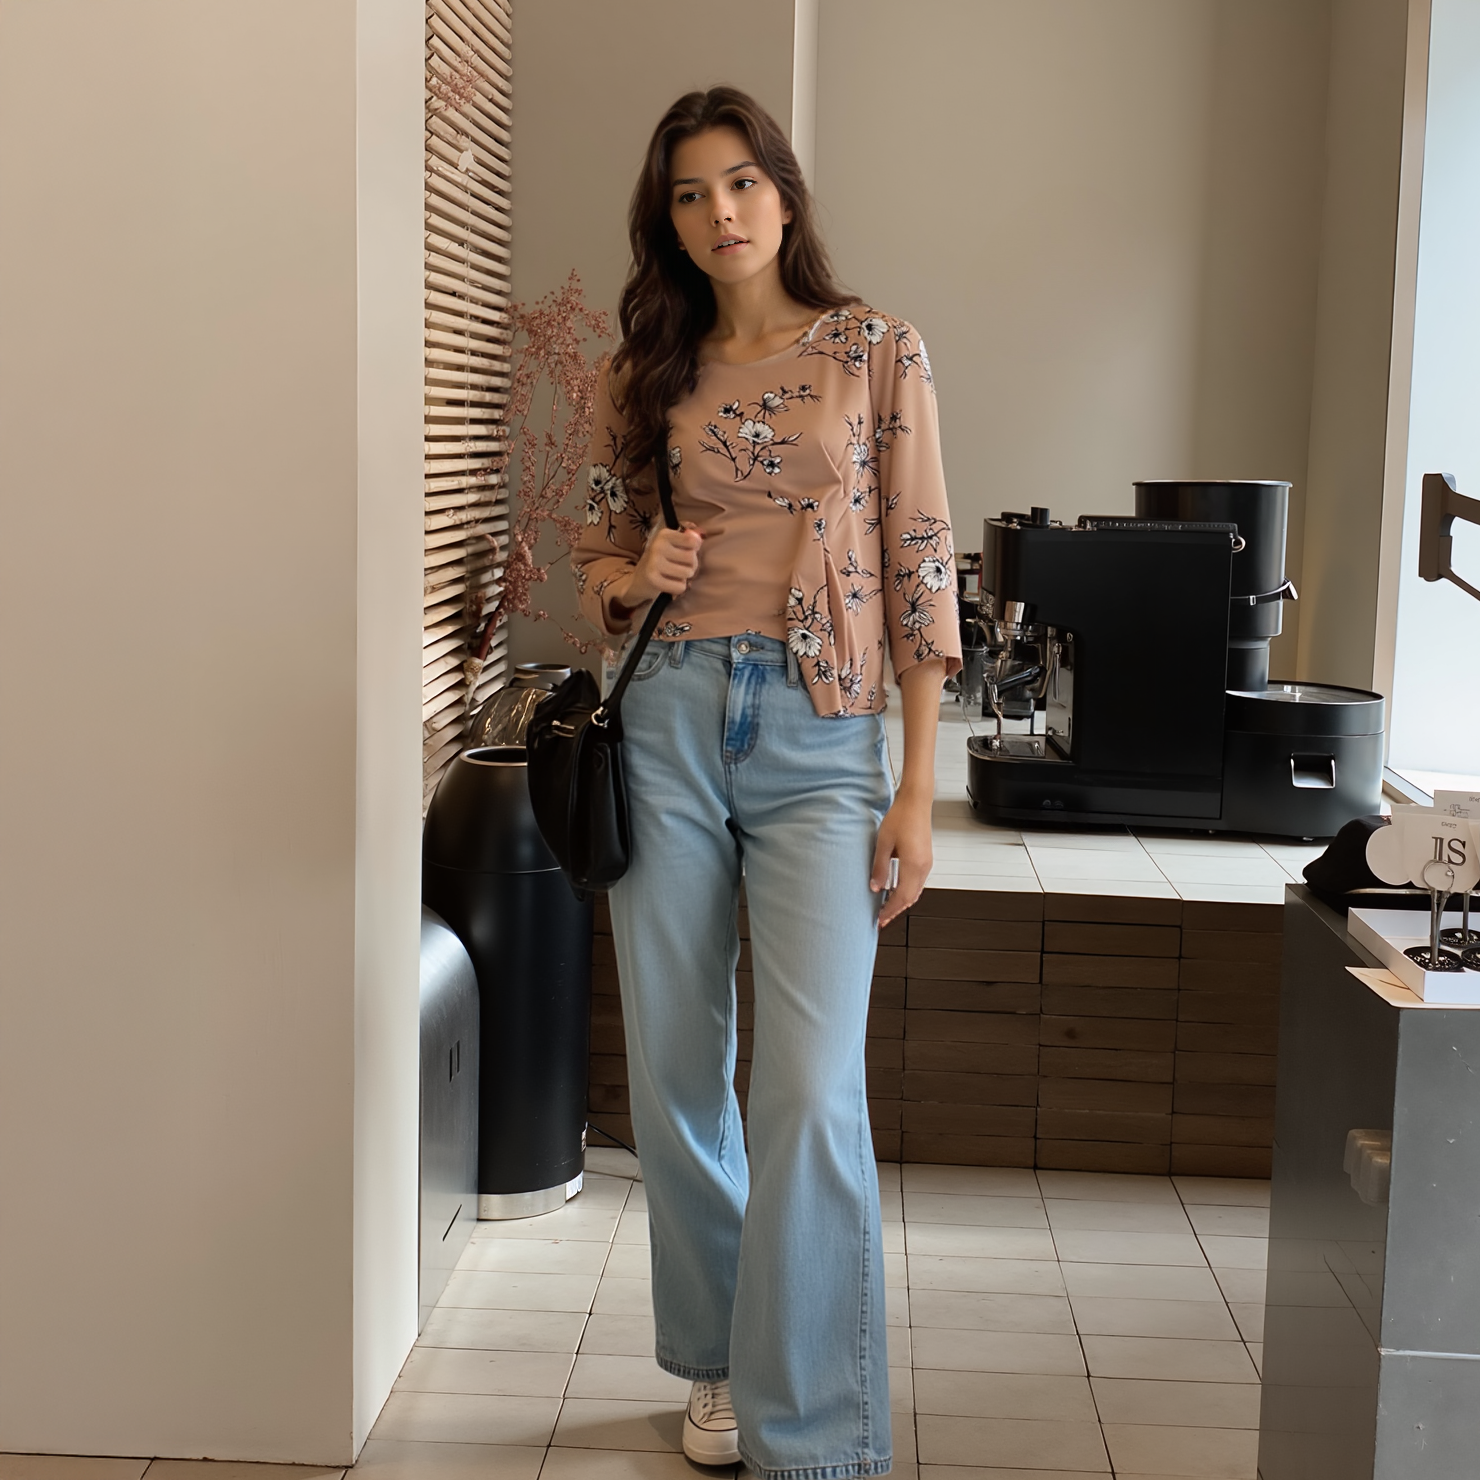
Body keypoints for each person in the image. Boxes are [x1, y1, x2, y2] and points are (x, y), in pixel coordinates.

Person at [572, 86, 961, 1479]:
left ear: (785, 196)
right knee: (678, 1075)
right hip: (672, 718)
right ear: (667, 220)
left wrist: (917, 789)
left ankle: (819, 1434)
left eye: (740, 183)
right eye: (689, 193)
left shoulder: (873, 348)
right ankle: (726, 1366)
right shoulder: (653, 365)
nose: (719, 212)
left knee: (809, 1087)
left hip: (820, 736)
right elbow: (605, 560)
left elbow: (920, 558)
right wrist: (636, 577)